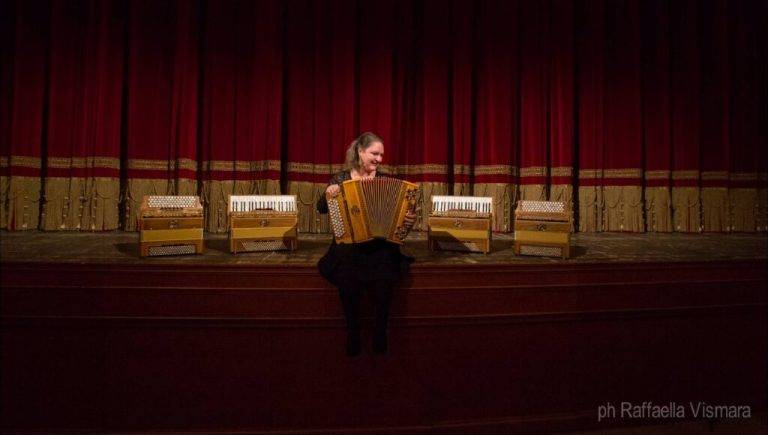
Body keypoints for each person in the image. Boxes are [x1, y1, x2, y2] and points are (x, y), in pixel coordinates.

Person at [316, 132, 417, 356]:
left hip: (381, 246)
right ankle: (353, 332)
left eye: (381, 155)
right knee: (347, 278)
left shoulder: (386, 179)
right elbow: (322, 207)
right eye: (374, 153)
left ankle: (380, 332)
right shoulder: (340, 179)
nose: (379, 159)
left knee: (385, 278)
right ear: (360, 152)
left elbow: (403, 217)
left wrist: (409, 220)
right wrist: (328, 193)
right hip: (350, 245)